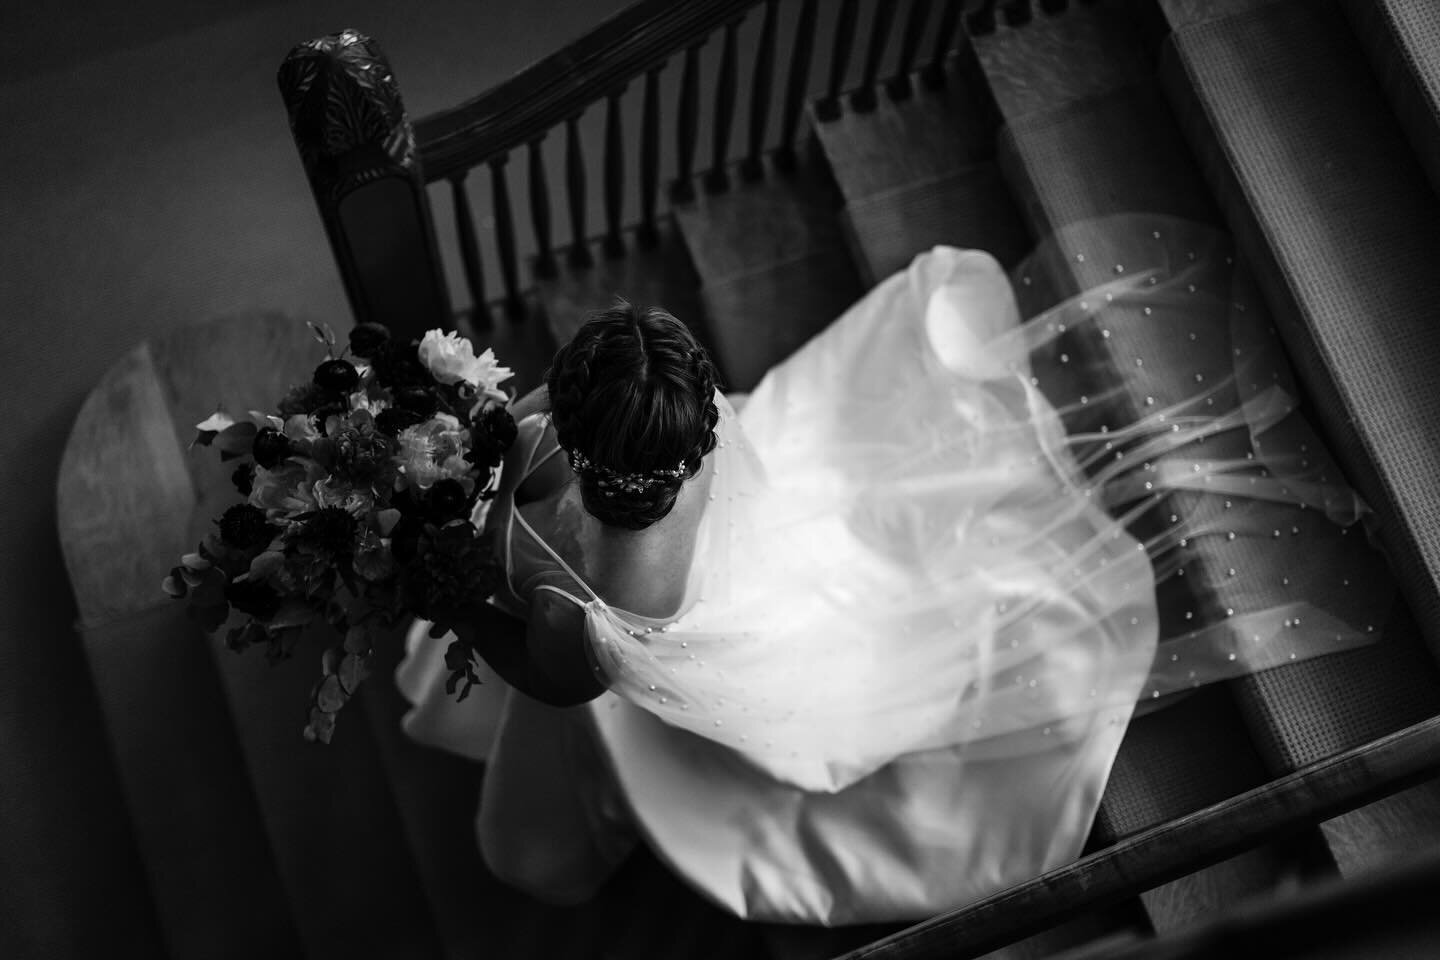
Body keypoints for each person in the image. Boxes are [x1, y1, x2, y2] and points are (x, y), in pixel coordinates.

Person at [396, 215, 1393, 925]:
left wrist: (451, 590)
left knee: (540, 836)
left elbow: (551, 683)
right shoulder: (688, 442)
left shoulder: (592, 604)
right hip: (750, 564)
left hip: (693, 648)